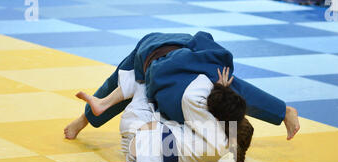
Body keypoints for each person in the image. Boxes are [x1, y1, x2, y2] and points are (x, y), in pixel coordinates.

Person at [64, 31, 299, 142]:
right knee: (132, 82)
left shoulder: (198, 99)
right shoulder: (202, 94)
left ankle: (92, 113)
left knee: (129, 81)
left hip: (160, 55)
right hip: (162, 54)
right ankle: (94, 111)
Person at [106, 68, 253, 162]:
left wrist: (219, 87)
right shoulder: (219, 149)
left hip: (136, 134)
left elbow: (190, 97)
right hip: (141, 153)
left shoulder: (215, 134)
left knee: (141, 79)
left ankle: (103, 103)